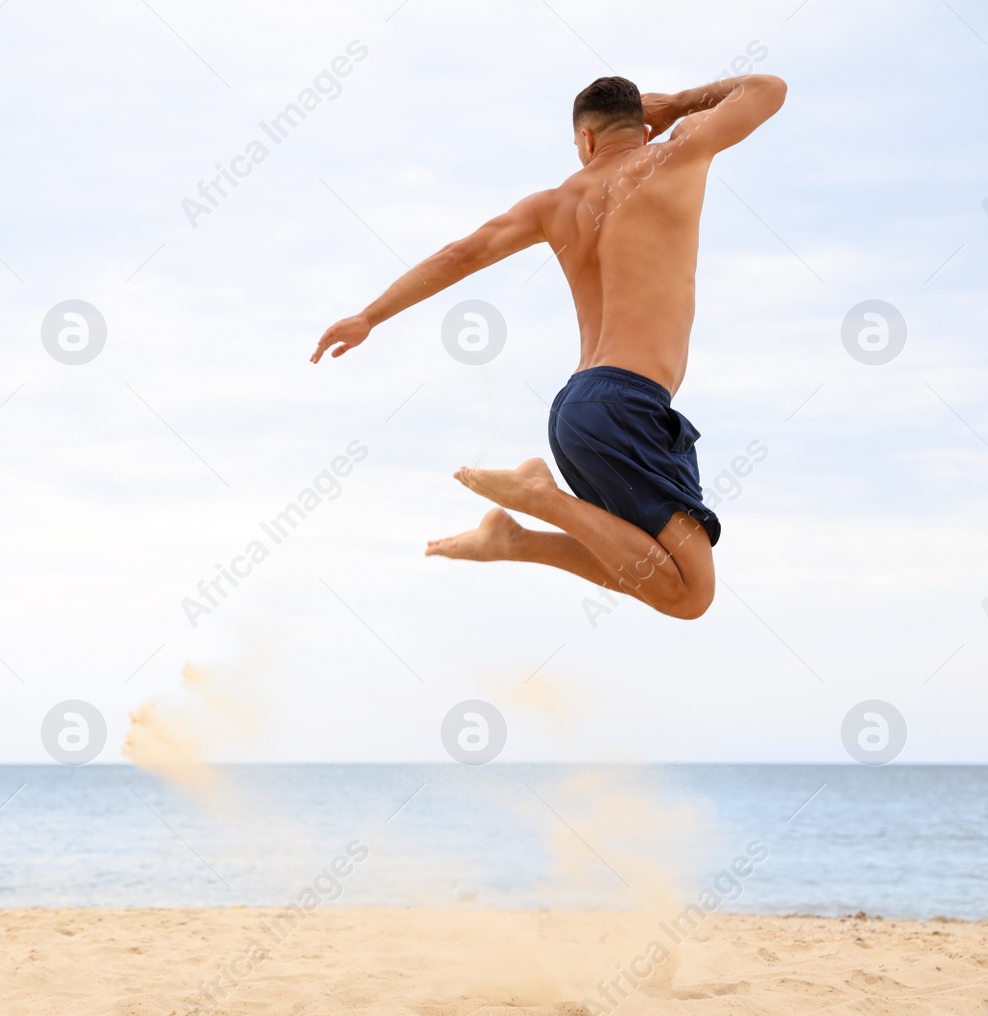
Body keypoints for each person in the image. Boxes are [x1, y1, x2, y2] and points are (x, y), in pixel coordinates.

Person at [309, 74, 787, 619]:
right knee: (689, 594)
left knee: (657, 573)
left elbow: (460, 254)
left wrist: (368, 316)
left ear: (584, 140)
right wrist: (677, 103)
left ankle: (517, 540)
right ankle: (540, 500)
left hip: (578, 409)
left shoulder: (555, 203)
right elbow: (768, 88)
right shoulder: (679, 153)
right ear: (643, 124)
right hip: (626, 404)